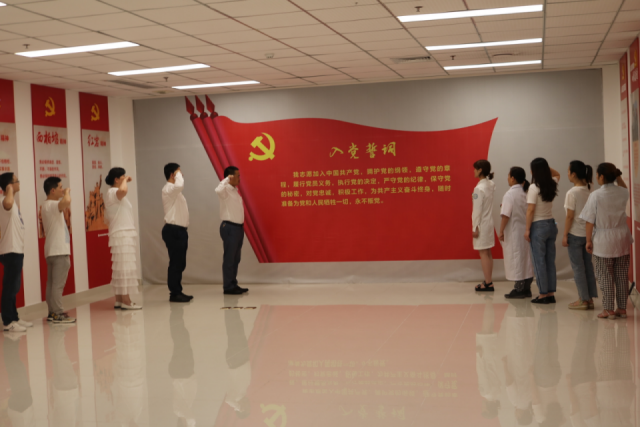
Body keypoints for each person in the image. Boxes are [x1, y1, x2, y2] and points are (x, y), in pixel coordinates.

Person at [580, 163, 633, 319]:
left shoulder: (596, 195)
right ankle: (622, 308)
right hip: (622, 238)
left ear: (602, 176)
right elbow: (624, 188)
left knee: (605, 276)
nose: (596, 177)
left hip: (603, 241)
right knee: (622, 275)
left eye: (597, 175)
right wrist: (617, 176)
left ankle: (608, 309)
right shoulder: (623, 192)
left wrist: (588, 241)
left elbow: (589, 220)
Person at [105, 167, 142, 310]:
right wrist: (125, 180)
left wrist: (124, 180)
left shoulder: (112, 193)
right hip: (122, 234)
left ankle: (119, 300)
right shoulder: (113, 192)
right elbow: (124, 191)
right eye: (122, 176)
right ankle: (126, 301)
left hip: (121, 233)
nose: (125, 178)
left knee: (121, 267)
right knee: (124, 268)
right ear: (116, 179)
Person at [562, 161, 597, 310]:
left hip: (575, 234)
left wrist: (565, 235)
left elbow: (570, 216)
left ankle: (583, 299)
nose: (567, 174)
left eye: (568, 171)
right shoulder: (590, 189)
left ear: (574, 174)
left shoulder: (572, 193)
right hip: (588, 235)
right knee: (588, 266)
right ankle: (590, 298)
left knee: (578, 268)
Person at [525, 158, 560, 305]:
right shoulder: (552, 183)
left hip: (538, 226)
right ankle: (551, 293)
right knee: (550, 261)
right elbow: (557, 174)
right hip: (551, 224)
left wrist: (527, 229)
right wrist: (545, 168)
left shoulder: (533, 187)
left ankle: (543, 294)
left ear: (533, 171)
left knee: (539, 261)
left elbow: (530, 210)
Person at [41, 177, 76, 323]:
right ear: (52, 190)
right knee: (57, 285)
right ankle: (57, 313)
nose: (63, 190)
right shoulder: (52, 204)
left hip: (52, 250)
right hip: (59, 250)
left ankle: (52, 313)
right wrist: (67, 192)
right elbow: (67, 201)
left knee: (51, 284)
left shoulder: (46, 205)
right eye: (60, 187)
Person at [0, 173, 31, 332]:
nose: (19, 183)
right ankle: (7, 321)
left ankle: (14, 318)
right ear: (9, 186)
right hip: (10, 250)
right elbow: (8, 202)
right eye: (16, 181)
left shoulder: (11, 202)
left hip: (16, 249)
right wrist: (9, 189)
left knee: (14, 286)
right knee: (10, 287)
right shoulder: (4, 201)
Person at [500, 167, 535, 299]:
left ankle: (519, 289)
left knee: (516, 259)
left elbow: (505, 215)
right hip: (526, 230)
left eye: (509, 176)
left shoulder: (509, 194)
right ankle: (527, 288)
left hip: (514, 232)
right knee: (526, 259)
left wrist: (501, 230)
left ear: (513, 178)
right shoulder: (526, 192)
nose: (508, 178)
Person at [162, 163, 193, 303]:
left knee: (180, 263)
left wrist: (178, 173)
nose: (182, 175)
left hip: (179, 231)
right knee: (176, 262)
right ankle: (175, 293)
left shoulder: (174, 191)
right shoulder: (168, 188)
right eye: (179, 172)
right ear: (172, 174)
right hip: (173, 230)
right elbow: (180, 185)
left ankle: (177, 291)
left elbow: (179, 186)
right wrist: (178, 174)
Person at [216, 166, 248, 295]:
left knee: (236, 258)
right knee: (230, 258)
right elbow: (217, 190)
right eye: (237, 176)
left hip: (238, 228)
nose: (239, 178)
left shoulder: (234, 191)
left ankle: (233, 284)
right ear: (230, 177)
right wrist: (226, 179)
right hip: (230, 227)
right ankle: (228, 287)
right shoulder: (225, 190)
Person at [472, 160, 496, 292]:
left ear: (480, 170)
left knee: (483, 253)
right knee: (488, 253)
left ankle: (488, 283)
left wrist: (474, 227)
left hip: (481, 224)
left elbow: (477, 211)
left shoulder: (479, 189)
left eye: (475, 169)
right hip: (489, 222)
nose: (473, 171)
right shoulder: (491, 184)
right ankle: (488, 281)